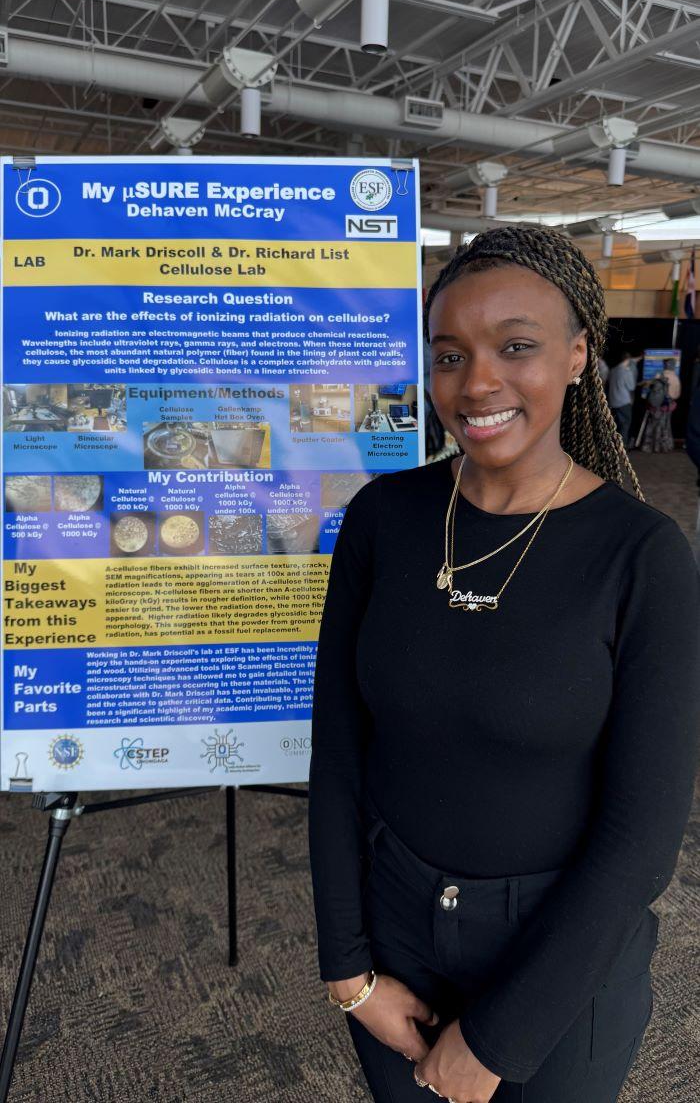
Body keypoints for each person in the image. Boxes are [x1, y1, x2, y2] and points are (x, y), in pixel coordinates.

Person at [308, 225, 700, 1103]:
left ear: (575, 357)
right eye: (450, 355)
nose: (476, 383)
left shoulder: (642, 556)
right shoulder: (384, 518)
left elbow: (642, 841)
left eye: (515, 347)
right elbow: (336, 751)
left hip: (561, 958)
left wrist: (499, 1037)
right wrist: (349, 970)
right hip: (396, 935)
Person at [640, 358, 680, 454]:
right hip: (668, 406)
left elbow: (649, 389)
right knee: (665, 426)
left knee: (653, 426)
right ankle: (664, 446)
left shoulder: (659, 375)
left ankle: (652, 447)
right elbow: (677, 394)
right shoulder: (676, 378)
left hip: (656, 406)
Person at [607, 352, 640, 447]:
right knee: (625, 424)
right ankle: (622, 445)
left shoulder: (613, 370)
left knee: (616, 424)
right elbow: (632, 387)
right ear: (628, 360)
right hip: (624, 402)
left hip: (613, 401)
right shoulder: (626, 371)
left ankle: (613, 444)